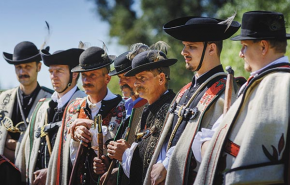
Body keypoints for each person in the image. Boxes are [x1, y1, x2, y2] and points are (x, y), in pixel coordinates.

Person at [194, 11, 290, 185]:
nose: (240, 53)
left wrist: (211, 144)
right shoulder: (258, 83)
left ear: (263, 47)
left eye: (244, 45)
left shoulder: (280, 83)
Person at [145, 16, 243, 185]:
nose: (183, 52)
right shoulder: (184, 90)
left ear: (211, 49)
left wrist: (168, 164)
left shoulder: (227, 91)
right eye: (184, 46)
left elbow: (215, 146)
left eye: (191, 47)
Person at [46, 46, 126, 185]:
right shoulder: (73, 108)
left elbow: (122, 148)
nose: (86, 80)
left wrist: (93, 127)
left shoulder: (122, 108)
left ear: (107, 78)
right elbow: (63, 153)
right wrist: (75, 136)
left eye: (92, 75)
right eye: (84, 76)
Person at [15, 47, 86, 184]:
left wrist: (52, 172)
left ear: (74, 74)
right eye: (51, 72)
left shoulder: (84, 106)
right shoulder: (43, 107)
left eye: (59, 71)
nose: (54, 76)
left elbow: (84, 157)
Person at [106, 48, 177, 184]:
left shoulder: (173, 109)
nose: (136, 84)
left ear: (161, 78)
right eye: (136, 79)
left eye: (142, 78)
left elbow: (161, 163)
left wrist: (125, 155)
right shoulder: (147, 110)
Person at [93, 43, 149, 184]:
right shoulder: (125, 106)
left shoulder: (150, 106)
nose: (121, 84)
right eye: (119, 78)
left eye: (125, 77)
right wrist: (107, 162)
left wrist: (120, 166)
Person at [0, 41, 52, 163]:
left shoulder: (51, 100)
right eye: (18, 67)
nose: (22, 72)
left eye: (28, 67)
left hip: (34, 170)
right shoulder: (3, 98)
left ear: (38, 67)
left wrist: (15, 146)